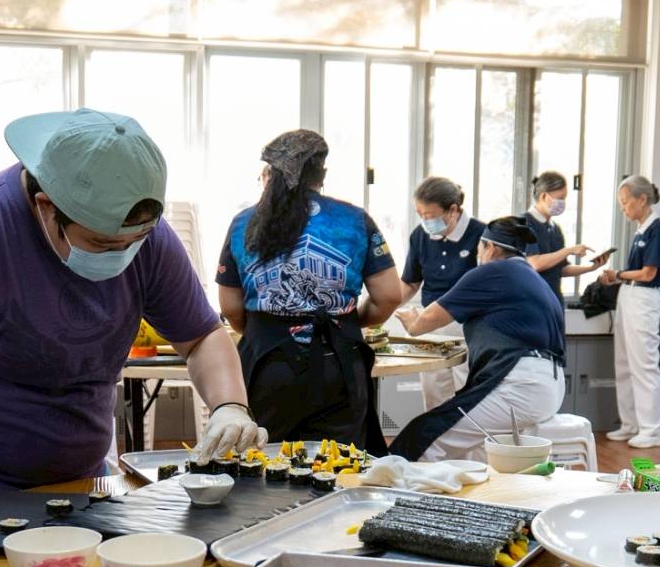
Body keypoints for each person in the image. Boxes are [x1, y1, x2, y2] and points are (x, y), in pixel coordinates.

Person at [0, 109, 263, 494]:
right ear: (46, 206)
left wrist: (229, 405)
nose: (122, 255)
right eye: (102, 243)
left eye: (134, 242)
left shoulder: (148, 240)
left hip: (84, 481)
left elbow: (202, 336)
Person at [217, 129, 401, 450]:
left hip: (266, 365)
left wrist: (266, 330)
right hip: (338, 363)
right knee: (339, 466)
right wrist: (351, 321)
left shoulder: (243, 223)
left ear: (269, 174)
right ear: (322, 174)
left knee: (261, 461)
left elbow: (230, 306)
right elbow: (388, 296)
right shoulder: (354, 220)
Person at [391, 215, 567, 461]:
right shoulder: (535, 279)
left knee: (421, 438)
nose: (478, 256)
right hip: (551, 387)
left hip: (519, 388)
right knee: (468, 441)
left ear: (491, 248)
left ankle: (405, 498)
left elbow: (420, 325)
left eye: (479, 250)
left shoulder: (493, 272)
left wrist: (406, 314)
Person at [602, 175, 660, 449]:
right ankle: (630, 423)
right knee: (624, 363)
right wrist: (617, 277)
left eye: (625, 202)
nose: (623, 208)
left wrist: (618, 273)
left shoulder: (658, 230)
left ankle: (652, 429)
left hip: (644, 298)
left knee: (644, 364)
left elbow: (648, 272)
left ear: (642, 199)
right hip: (628, 295)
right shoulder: (641, 230)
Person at [400, 174, 480, 408]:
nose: (425, 221)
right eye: (420, 214)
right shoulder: (420, 236)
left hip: (467, 326)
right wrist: (385, 303)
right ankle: (437, 444)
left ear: (453, 210)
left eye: (431, 216)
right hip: (429, 324)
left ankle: (468, 445)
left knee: (467, 392)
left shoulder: (481, 234)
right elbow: (410, 283)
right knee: (433, 394)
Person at [522, 169, 606, 300]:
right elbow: (534, 263)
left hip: (553, 300)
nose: (563, 203)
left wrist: (591, 268)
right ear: (544, 197)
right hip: (531, 300)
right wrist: (569, 250)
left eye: (564, 198)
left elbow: (561, 269)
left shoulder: (555, 230)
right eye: (560, 198)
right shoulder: (525, 224)